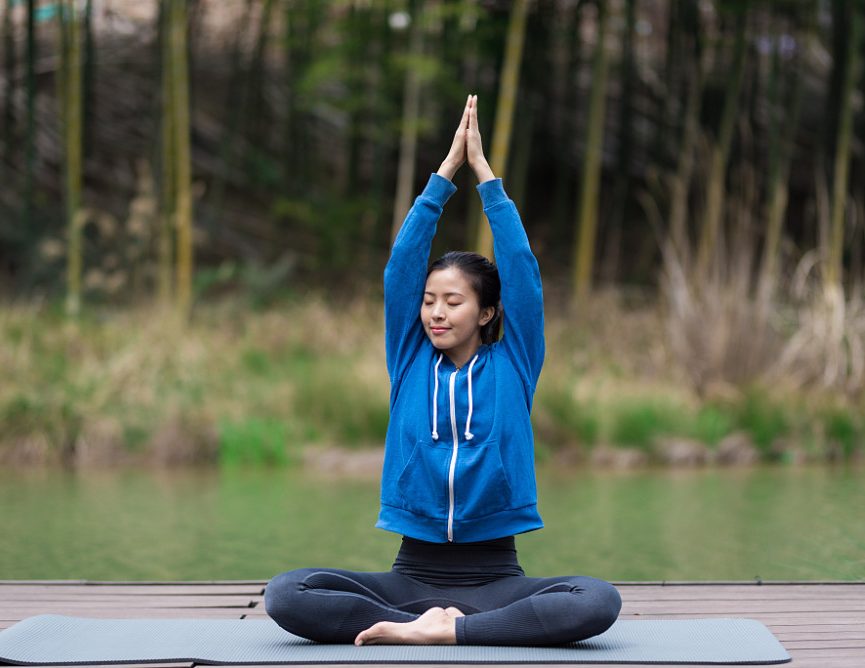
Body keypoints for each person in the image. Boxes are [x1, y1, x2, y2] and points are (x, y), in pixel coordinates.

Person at [265, 95, 621, 647]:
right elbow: (400, 268)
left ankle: (447, 632)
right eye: (430, 300)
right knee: (287, 593)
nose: (435, 311)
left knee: (598, 601)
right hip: (409, 576)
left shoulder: (514, 364)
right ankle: (428, 625)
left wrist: (486, 179)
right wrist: (443, 174)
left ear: (485, 312)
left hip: (498, 579)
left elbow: (522, 275)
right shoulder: (407, 360)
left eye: (452, 302)